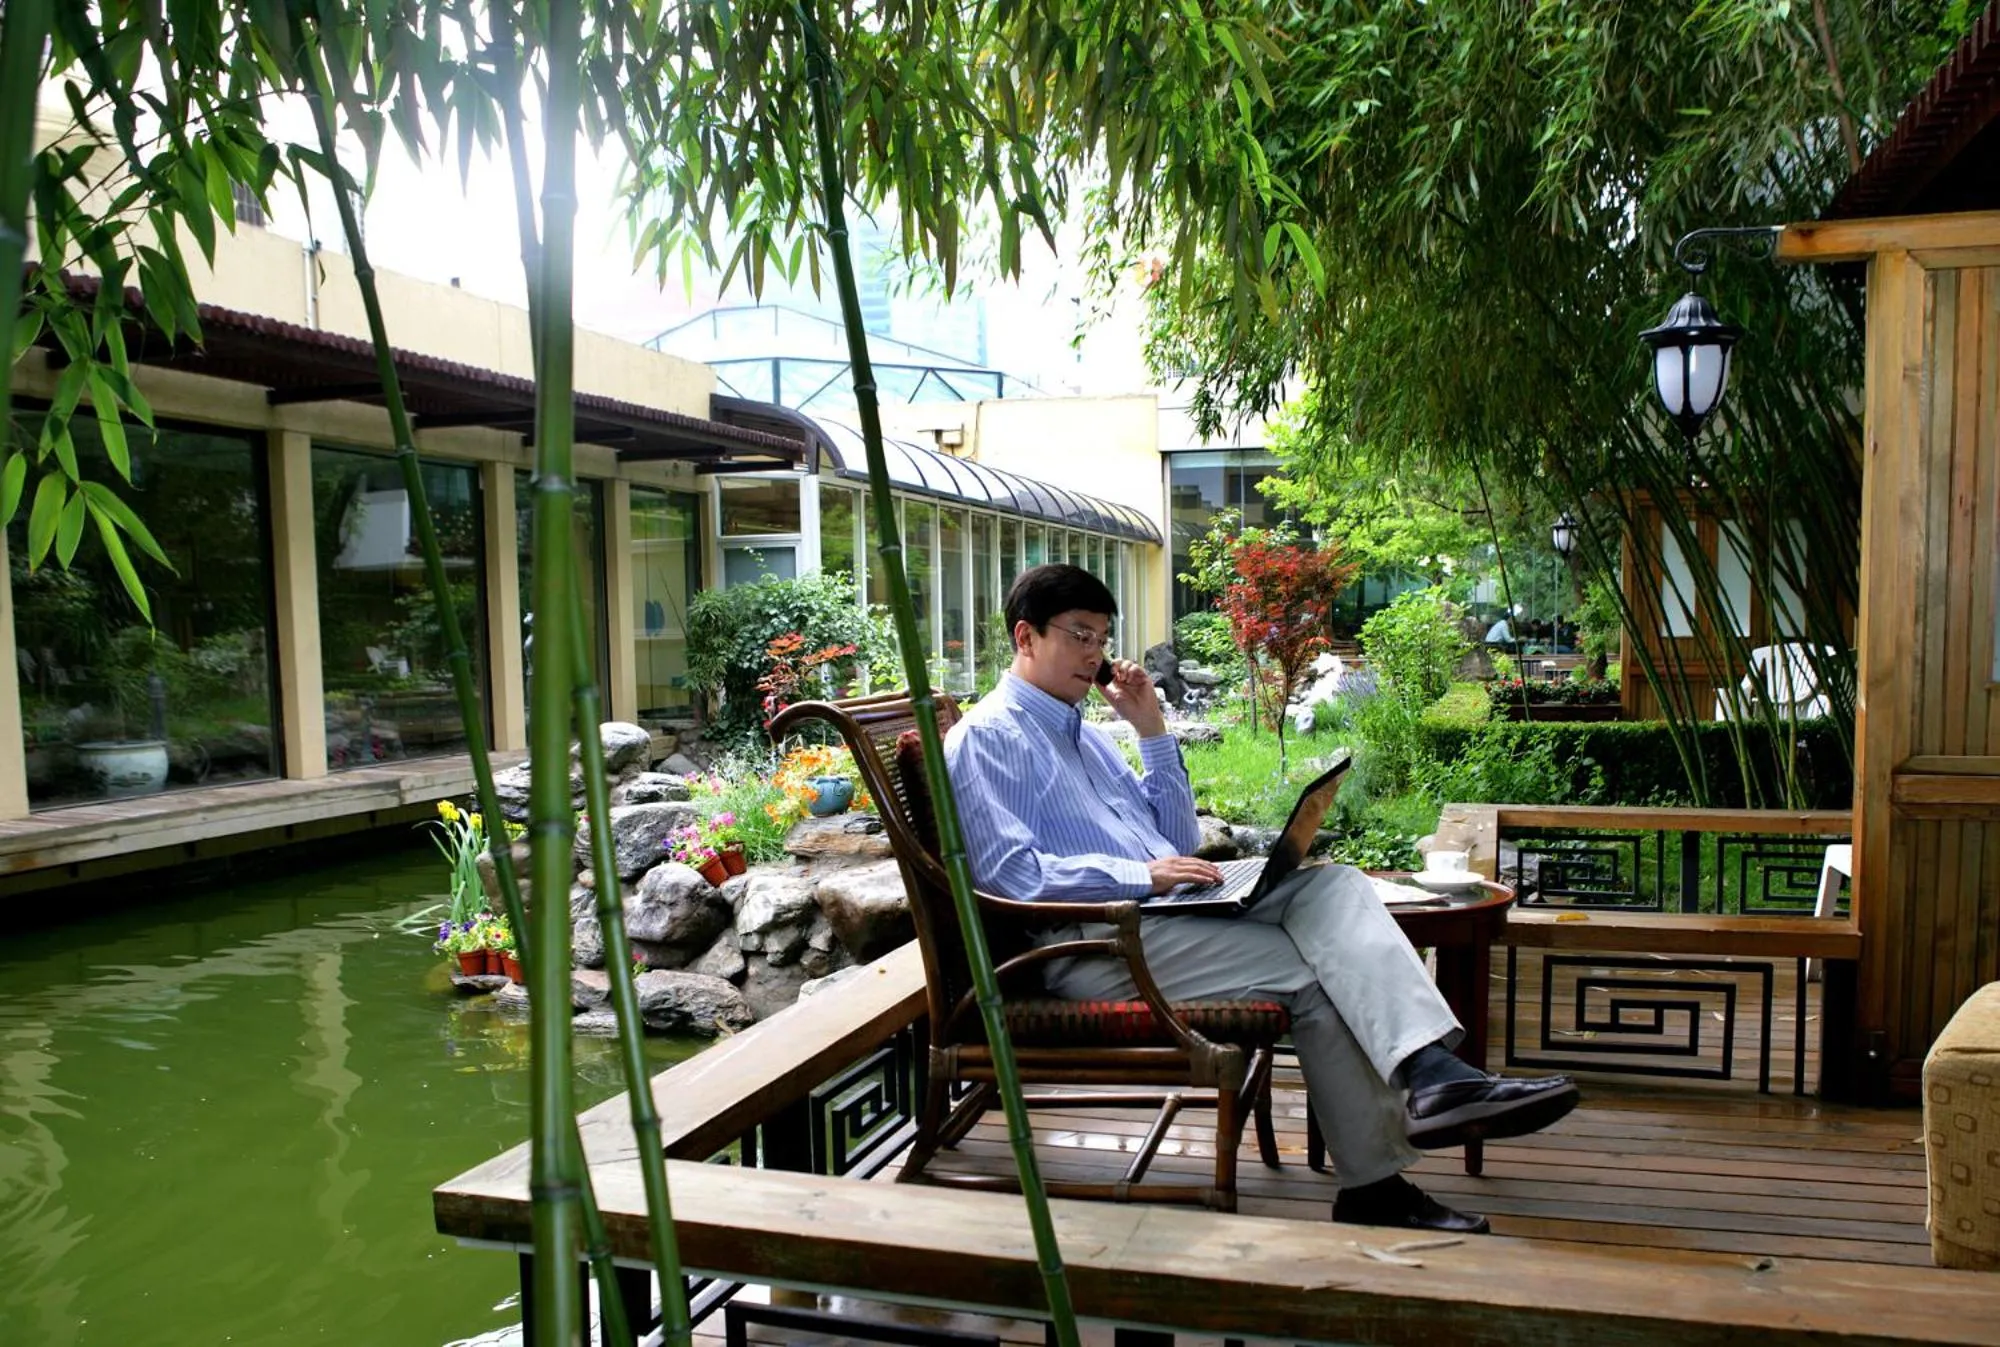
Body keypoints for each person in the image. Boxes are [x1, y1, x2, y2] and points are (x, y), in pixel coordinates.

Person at [945, 565, 1579, 1233]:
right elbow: (1010, 875)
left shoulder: (1083, 733)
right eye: (1080, 635)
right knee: (1320, 974)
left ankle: (1431, 1072)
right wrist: (1143, 876)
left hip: (1160, 919)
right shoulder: (989, 735)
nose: (1096, 654)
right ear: (1025, 635)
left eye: (1102, 636)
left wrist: (1153, 731)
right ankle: (1387, 1164)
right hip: (1095, 942)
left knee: (1336, 884)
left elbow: (1177, 836)